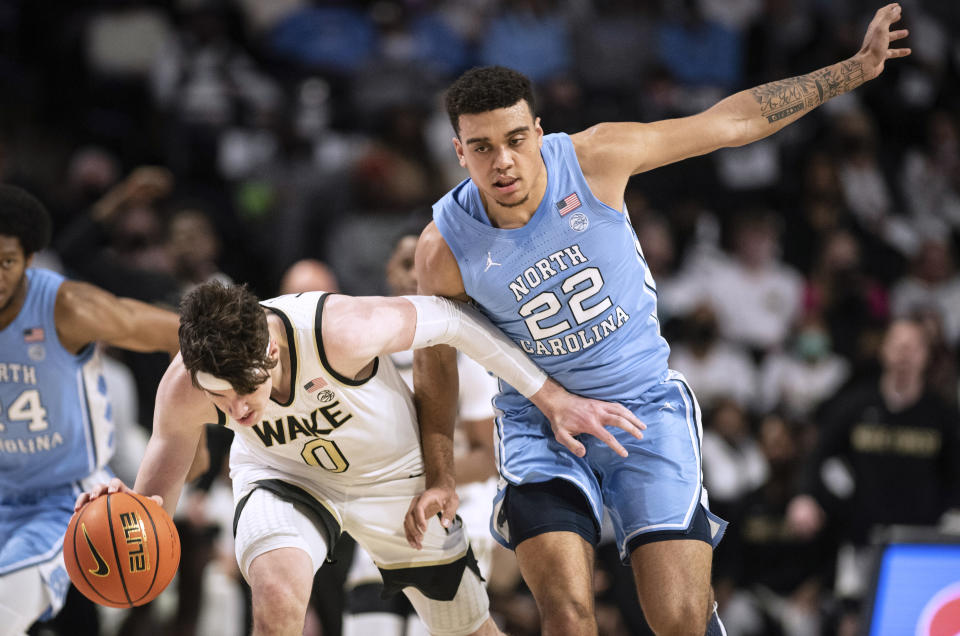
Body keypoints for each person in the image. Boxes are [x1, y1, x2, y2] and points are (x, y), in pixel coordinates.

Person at [406, 6, 910, 635]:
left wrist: (854, 71)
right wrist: (441, 475)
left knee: (678, 620)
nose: (502, 161)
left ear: (539, 132)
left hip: (643, 406)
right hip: (541, 424)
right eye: (481, 148)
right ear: (459, 152)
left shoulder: (596, 158)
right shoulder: (442, 247)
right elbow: (434, 362)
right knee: (566, 613)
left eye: (514, 140)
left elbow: (731, 122)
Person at [78, 280, 643, 636]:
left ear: (271, 350)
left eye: (244, 391)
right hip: (284, 476)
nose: (236, 409)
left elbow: (452, 319)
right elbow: (153, 501)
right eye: (219, 396)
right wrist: (125, 513)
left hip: (393, 480)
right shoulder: (184, 385)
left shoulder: (341, 329)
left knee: (467, 628)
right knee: (276, 599)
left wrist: (550, 396)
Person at [0, 185, 182, 635]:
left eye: (4, 262)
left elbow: (174, 333)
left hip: (66, 500)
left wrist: (188, 425)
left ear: (29, 261)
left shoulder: (66, 306)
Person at [343, 234, 506, 636]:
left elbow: (488, 457)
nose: (415, 271)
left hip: (459, 502)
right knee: (368, 622)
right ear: (390, 272)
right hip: (388, 504)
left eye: (425, 260)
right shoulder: (361, 352)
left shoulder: (463, 350)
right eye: (405, 259)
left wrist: (423, 480)